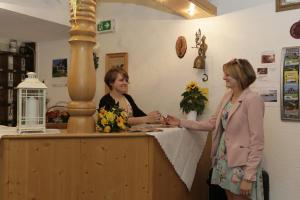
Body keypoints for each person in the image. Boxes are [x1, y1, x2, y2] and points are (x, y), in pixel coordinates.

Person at [165, 59, 264, 200]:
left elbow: (257, 141)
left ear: (239, 76)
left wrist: (248, 177)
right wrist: (181, 122)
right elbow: (212, 124)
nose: (224, 77)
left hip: (241, 165)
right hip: (224, 160)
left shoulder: (253, 100)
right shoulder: (227, 96)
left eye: (227, 74)